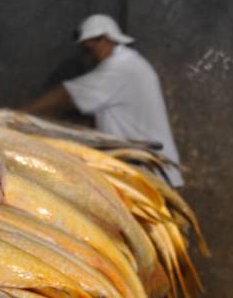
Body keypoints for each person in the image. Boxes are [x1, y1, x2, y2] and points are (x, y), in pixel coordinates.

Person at [23, 14, 184, 186]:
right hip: (144, 171)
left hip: (151, 174)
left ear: (105, 40)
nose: (87, 58)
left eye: (89, 50)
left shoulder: (120, 68)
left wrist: (18, 114)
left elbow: (66, 94)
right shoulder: (130, 63)